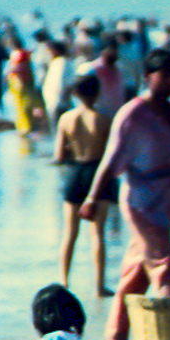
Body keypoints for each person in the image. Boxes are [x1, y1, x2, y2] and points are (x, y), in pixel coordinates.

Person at [80, 49, 170, 340]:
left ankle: (115, 335)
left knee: (137, 271)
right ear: (147, 77)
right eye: (162, 75)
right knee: (165, 266)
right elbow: (109, 161)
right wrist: (92, 198)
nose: (168, 81)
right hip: (140, 204)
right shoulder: (132, 115)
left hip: (167, 204)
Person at [55, 74, 115, 296]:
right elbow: (111, 153)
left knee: (70, 232)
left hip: (75, 172)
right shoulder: (104, 119)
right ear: (97, 92)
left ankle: (64, 281)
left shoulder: (66, 119)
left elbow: (60, 154)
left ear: (75, 93)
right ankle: (99, 286)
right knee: (97, 233)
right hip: (98, 175)